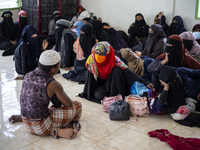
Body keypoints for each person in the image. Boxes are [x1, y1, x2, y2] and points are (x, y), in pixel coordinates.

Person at [9, 50, 82, 139]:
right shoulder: (53, 84)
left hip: (26, 123)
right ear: (53, 69)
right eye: (59, 64)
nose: (60, 66)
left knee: (49, 108)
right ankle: (56, 131)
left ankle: (31, 121)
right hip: (42, 128)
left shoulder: (28, 75)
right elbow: (69, 104)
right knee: (77, 105)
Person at [78, 42, 153, 103]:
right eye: (96, 53)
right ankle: (108, 96)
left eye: (102, 54)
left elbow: (129, 74)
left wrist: (145, 83)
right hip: (102, 86)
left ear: (108, 54)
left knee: (116, 70)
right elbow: (90, 80)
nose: (98, 56)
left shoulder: (115, 61)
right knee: (99, 95)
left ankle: (116, 96)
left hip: (114, 85)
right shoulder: (92, 60)